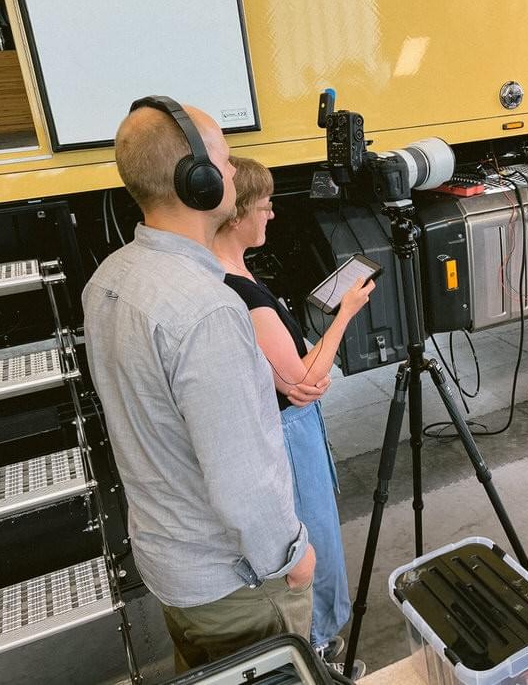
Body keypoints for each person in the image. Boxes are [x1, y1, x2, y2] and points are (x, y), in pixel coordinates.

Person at [82, 98, 318, 673]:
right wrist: (293, 555)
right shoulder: (208, 311)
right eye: (226, 160)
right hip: (234, 588)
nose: (234, 172)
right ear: (199, 180)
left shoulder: (108, 278)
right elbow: (241, 476)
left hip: (172, 570)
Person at [212, 157, 374, 676]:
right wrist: (346, 312)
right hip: (286, 432)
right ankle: (321, 651)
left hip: (280, 425)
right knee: (316, 534)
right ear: (236, 215)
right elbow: (303, 384)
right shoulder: (242, 292)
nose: (273, 215)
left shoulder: (224, 271)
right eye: (264, 205)